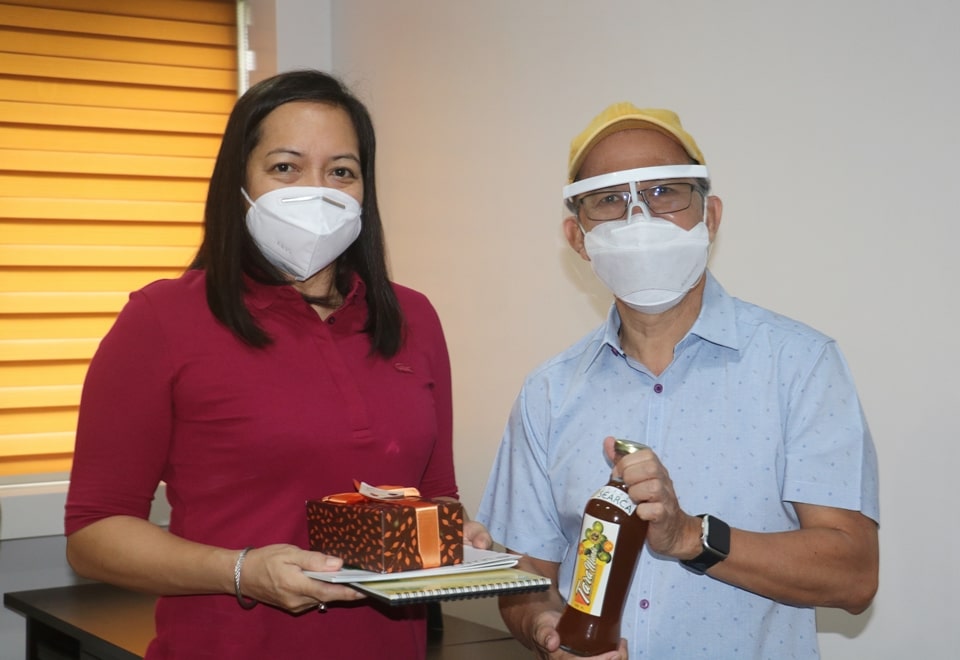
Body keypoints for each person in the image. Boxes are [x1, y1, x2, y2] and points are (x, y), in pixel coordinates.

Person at [65, 69, 491, 659]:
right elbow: (93, 533)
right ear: (239, 181)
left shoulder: (413, 316)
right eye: (285, 167)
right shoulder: (161, 318)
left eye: (341, 171)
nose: (317, 190)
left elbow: (436, 492)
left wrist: (452, 535)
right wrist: (241, 572)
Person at [477, 103, 879, 660]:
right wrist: (548, 628)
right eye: (610, 199)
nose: (638, 218)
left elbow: (853, 574)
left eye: (665, 191)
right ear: (577, 237)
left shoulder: (800, 364)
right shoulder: (548, 392)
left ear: (710, 217)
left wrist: (690, 535)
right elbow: (528, 578)